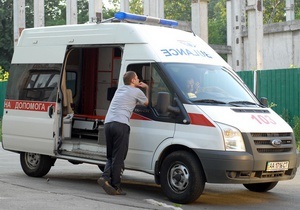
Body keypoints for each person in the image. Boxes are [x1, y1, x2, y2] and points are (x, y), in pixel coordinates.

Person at [97, 71, 149, 195]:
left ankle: (105, 178)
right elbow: (146, 103)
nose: (138, 80)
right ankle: (115, 186)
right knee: (119, 157)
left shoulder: (120, 90)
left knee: (111, 156)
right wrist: (146, 87)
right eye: (136, 78)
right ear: (132, 80)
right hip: (121, 124)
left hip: (108, 123)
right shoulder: (137, 91)